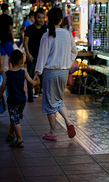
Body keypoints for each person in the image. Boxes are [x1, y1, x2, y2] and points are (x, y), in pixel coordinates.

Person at [34, 8, 78, 141]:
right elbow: (74, 51)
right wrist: (67, 63)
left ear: (49, 19)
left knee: (49, 102)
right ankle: (68, 122)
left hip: (50, 73)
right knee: (58, 100)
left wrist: (37, 72)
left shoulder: (47, 35)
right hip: (63, 73)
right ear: (60, 19)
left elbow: (42, 56)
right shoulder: (67, 34)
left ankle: (53, 132)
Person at [0, 49, 38, 148]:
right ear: (22, 61)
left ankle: (20, 140)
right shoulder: (23, 73)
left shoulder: (7, 74)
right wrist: (37, 82)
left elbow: (2, 86)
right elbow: (32, 83)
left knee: (15, 121)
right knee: (14, 118)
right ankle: (11, 135)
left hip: (12, 101)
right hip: (22, 101)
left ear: (10, 60)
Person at [23, 8, 47, 102]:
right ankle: (30, 95)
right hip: (32, 56)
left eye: (43, 18)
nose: (41, 19)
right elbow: (25, 42)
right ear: (35, 18)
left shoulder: (46, 29)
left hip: (43, 57)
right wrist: (28, 54)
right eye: (39, 17)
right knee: (30, 75)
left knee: (43, 76)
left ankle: (39, 91)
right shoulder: (30, 29)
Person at [0, 3, 15, 67]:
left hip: (0, 38)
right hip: (8, 39)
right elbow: (10, 29)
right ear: (7, 9)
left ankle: (2, 72)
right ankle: (11, 70)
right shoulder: (9, 18)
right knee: (11, 56)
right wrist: (13, 39)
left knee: (2, 56)